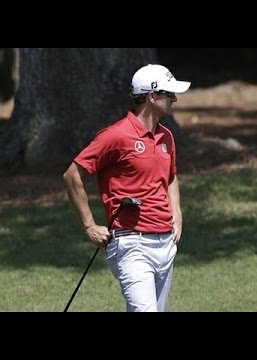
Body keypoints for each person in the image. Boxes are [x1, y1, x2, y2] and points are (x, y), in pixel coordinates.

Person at [63, 64, 191, 312]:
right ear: (152, 97)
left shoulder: (166, 137)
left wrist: (177, 211)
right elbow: (72, 175)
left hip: (166, 243)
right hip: (132, 244)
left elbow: (171, 177)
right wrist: (89, 226)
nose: (174, 99)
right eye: (169, 93)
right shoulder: (115, 136)